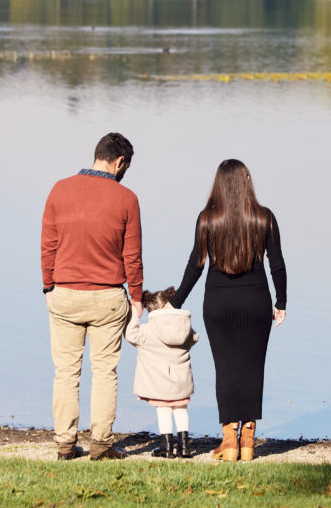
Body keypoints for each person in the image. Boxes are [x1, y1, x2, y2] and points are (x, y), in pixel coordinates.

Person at [170, 159, 286, 462]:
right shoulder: (264, 218)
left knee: (226, 369)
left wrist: (175, 302)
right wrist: (281, 302)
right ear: (247, 182)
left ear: (218, 185)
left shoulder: (208, 219)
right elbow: (277, 264)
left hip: (218, 304)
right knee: (253, 367)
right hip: (256, 301)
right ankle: (248, 439)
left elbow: (196, 265)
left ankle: (229, 440)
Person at [41, 132, 143, 461]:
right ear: (120, 162)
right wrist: (137, 297)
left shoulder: (59, 189)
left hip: (65, 293)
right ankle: (100, 444)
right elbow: (132, 256)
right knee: (104, 372)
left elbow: (48, 245)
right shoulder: (127, 198)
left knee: (66, 372)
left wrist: (48, 286)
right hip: (107, 298)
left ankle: (65, 444)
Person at [124, 286, 199, 459]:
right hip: (181, 382)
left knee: (164, 411)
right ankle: (184, 447)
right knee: (181, 409)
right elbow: (195, 337)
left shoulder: (147, 331)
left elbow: (130, 335)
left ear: (151, 310)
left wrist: (133, 311)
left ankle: (166, 447)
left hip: (159, 384)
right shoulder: (184, 329)